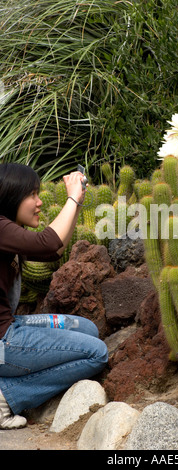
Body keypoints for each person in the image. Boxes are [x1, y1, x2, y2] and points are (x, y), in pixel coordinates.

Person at [0, 163, 108, 429]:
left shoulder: (7, 230)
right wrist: (70, 197)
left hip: (10, 328)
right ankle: (6, 396)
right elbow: (48, 242)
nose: (39, 203)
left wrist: (77, 203)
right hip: (4, 344)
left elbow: (53, 251)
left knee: (86, 328)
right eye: (33, 195)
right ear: (11, 195)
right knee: (97, 354)